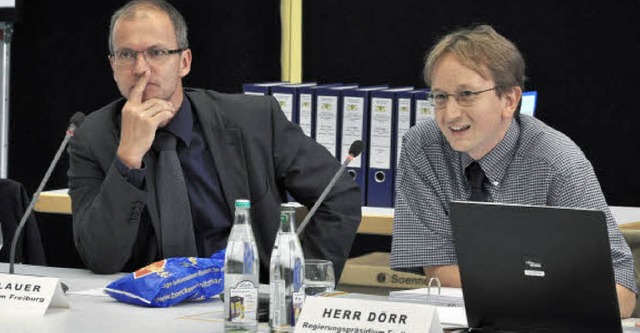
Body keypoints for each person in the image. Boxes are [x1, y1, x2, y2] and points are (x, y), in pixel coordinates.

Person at [67, 0, 361, 283]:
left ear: (184, 62)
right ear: (112, 65)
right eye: (127, 55)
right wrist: (128, 160)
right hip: (146, 308)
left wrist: (296, 282)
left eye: (156, 52)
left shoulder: (254, 121)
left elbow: (337, 196)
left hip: (243, 298)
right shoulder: (92, 138)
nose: (141, 68)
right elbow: (101, 258)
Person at [390, 25, 637, 317]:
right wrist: (530, 284)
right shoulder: (423, 147)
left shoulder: (557, 161)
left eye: (466, 94)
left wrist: (528, 297)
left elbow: (621, 290)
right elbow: (438, 268)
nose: (450, 114)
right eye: (440, 97)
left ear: (509, 100)